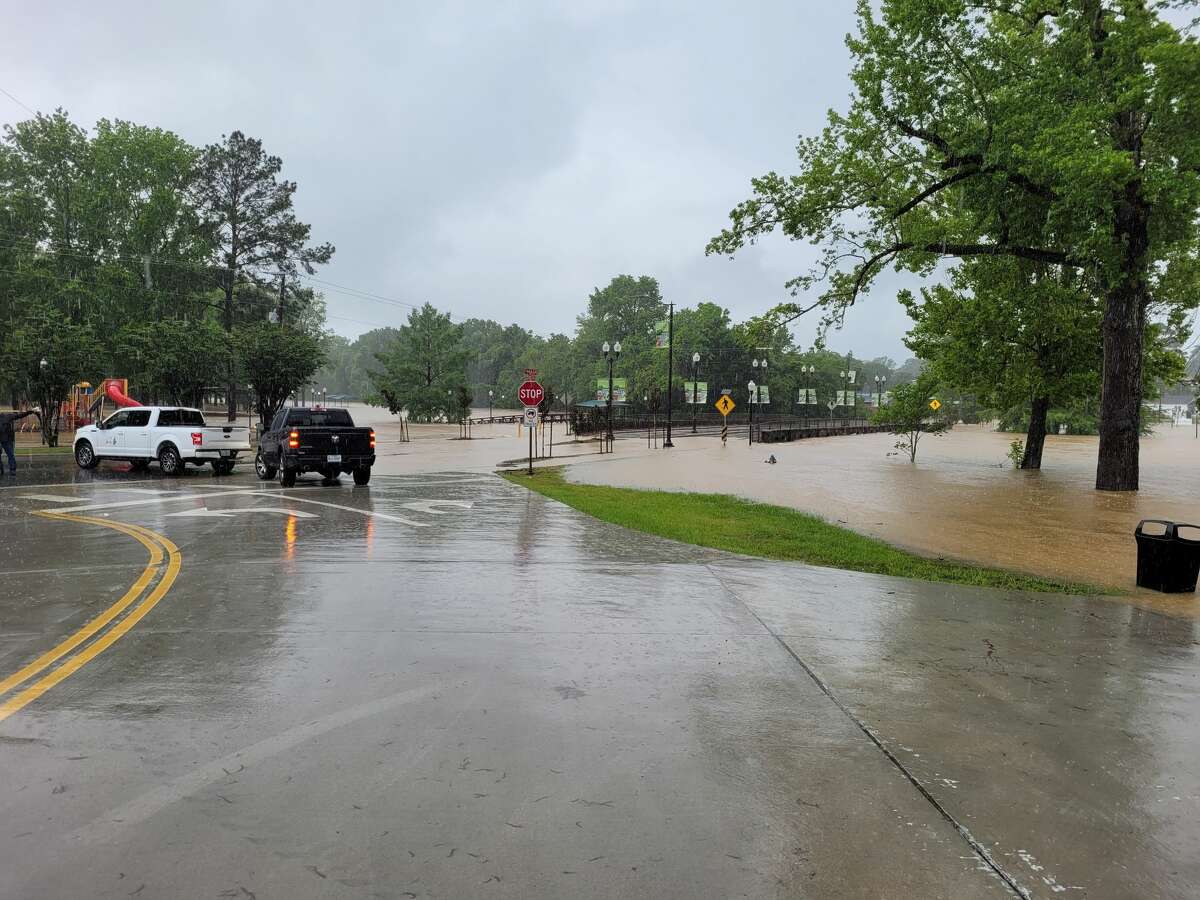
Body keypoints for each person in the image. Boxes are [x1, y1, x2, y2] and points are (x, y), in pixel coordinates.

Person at [0, 408, 40, 476]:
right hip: (3, 440)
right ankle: (2, 469)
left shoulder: (7, 416)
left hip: (8, 440)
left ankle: (12, 470)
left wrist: (30, 412)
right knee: (9, 455)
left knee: (11, 455)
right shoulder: (7, 417)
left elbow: (20, 415)